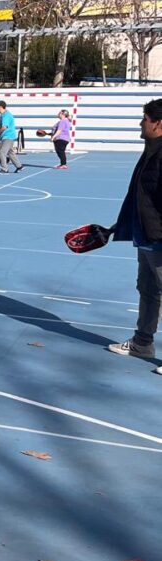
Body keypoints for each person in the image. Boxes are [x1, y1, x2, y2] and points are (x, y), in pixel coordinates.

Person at [106, 99, 162, 368]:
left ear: (158, 124)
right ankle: (142, 344)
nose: (141, 123)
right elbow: (142, 196)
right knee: (147, 290)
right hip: (145, 236)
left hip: (159, 239)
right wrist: (122, 223)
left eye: (145, 118)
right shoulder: (149, 150)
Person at [0, 100, 24, 173]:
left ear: (0, 107)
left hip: (7, 136)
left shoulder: (6, 115)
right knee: (10, 152)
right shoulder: (5, 115)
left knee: (1, 152)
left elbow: (4, 127)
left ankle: (4, 169)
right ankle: (19, 166)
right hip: (9, 136)